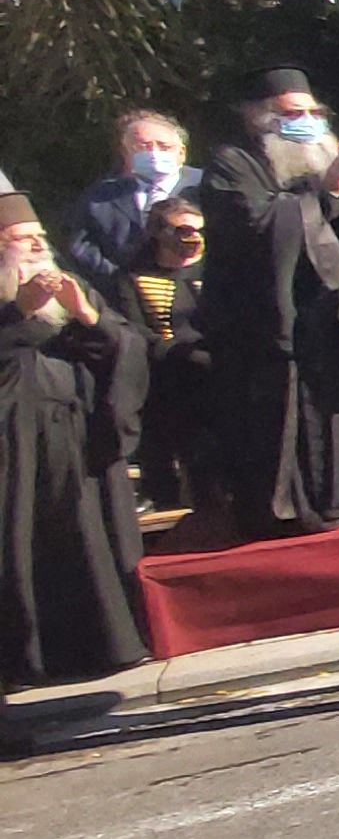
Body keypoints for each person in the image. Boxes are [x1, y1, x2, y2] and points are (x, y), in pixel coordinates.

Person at [199, 67, 339, 538]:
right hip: (267, 317)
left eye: (311, 113)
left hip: (331, 313)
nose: (305, 122)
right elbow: (255, 227)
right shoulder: (232, 162)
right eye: (291, 114)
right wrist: (321, 193)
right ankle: (288, 510)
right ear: (262, 118)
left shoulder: (328, 154)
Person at [0, 192, 150, 695]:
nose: (38, 249)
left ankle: (101, 648)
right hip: (13, 447)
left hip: (77, 435)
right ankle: (28, 660)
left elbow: (123, 346)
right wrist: (19, 314)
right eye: (23, 242)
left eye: (41, 239)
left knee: (87, 540)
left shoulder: (73, 285)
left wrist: (86, 315)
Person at [108, 195, 215, 512]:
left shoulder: (215, 270)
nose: (193, 238)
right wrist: (175, 351)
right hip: (161, 375)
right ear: (159, 232)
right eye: (183, 230)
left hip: (213, 371)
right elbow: (132, 329)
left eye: (198, 230)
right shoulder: (132, 276)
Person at [63, 109, 198, 281]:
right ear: (125, 152)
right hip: (119, 295)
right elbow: (80, 247)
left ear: (182, 153)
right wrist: (122, 281)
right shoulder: (99, 196)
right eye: (143, 146)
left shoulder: (206, 189)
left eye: (164, 147)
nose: (154, 153)